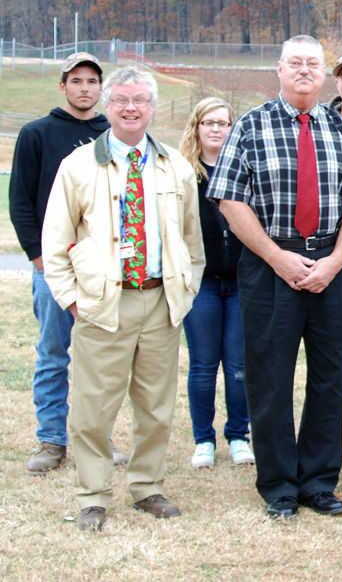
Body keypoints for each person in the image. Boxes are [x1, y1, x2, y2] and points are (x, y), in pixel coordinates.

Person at [207, 35, 342, 519]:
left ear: (323, 75)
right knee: (270, 378)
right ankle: (278, 485)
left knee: (330, 379)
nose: (304, 70)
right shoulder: (250, 126)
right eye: (295, 62)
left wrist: (336, 261)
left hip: (330, 265)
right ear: (279, 69)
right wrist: (277, 257)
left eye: (312, 64)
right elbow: (230, 200)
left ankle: (318, 482)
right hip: (269, 264)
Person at [42, 66, 205, 531]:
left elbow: (193, 243)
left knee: (155, 405)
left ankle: (146, 485)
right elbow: (56, 243)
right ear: (108, 106)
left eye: (140, 100)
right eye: (121, 99)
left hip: (159, 303)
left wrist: (185, 292)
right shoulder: (77, 167)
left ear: (153, 107)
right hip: (103, 304)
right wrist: (74, 300)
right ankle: (92, 493)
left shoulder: (175, 165)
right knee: (93, 406)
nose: (131, 107)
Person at [9, 52, 125, 474]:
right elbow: (21, 201)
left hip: (103, 269)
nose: (84, 88)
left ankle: (98, 438)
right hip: (55, 268)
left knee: (102, 358)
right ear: (63, 86)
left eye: (92, 81)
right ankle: (51, 440)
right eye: (76, 81)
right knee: (54, 354)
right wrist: (41, 260)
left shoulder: (111, 135)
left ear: (101, 88)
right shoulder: (37, 133)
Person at [178, 98, 254, 468]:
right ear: (196, 128)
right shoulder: (182, 174)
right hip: (203, 284)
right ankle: (203, 440)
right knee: (204, 365)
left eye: (223, 123)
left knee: (239, 365)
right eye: (208, 123)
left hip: (241, 282)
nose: (215, 130)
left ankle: (239, 435)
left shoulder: (244, 169)